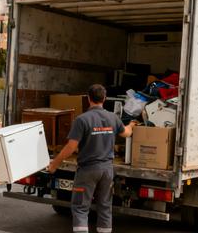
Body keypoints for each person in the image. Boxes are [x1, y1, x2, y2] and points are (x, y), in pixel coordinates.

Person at [48, 84, 136, 233]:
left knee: (81, 208)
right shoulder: (113, 118)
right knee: (105, 207)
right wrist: (132, 125)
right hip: (107, 170)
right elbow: (126, 133)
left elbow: (71, 147)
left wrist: (54, 165)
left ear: (88, 99)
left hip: (88, 170)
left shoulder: (82, 120)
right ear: (105, 98)